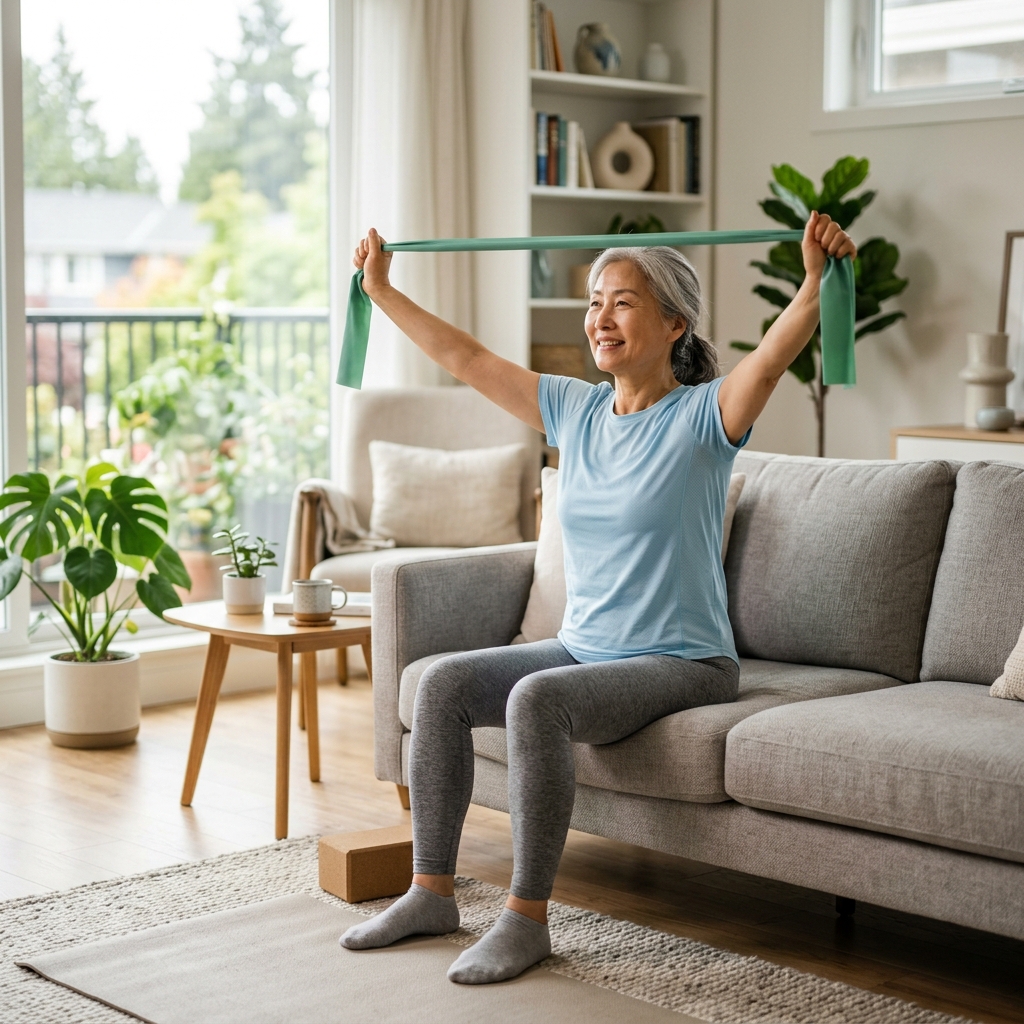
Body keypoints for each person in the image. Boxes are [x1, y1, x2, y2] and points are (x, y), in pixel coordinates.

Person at [339, 213, 856, 984]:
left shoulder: (704, 417)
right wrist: (382, 291)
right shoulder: (575, 412)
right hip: (587, 645)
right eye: (592, 301)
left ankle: (525, 919)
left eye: (621, 301)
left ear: (674, 323)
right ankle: (431, 892)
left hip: (685, 659)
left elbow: (774, 359)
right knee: (443, 682)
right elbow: (468, 357)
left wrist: (815, 283)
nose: (599, 317)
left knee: (539, 700)